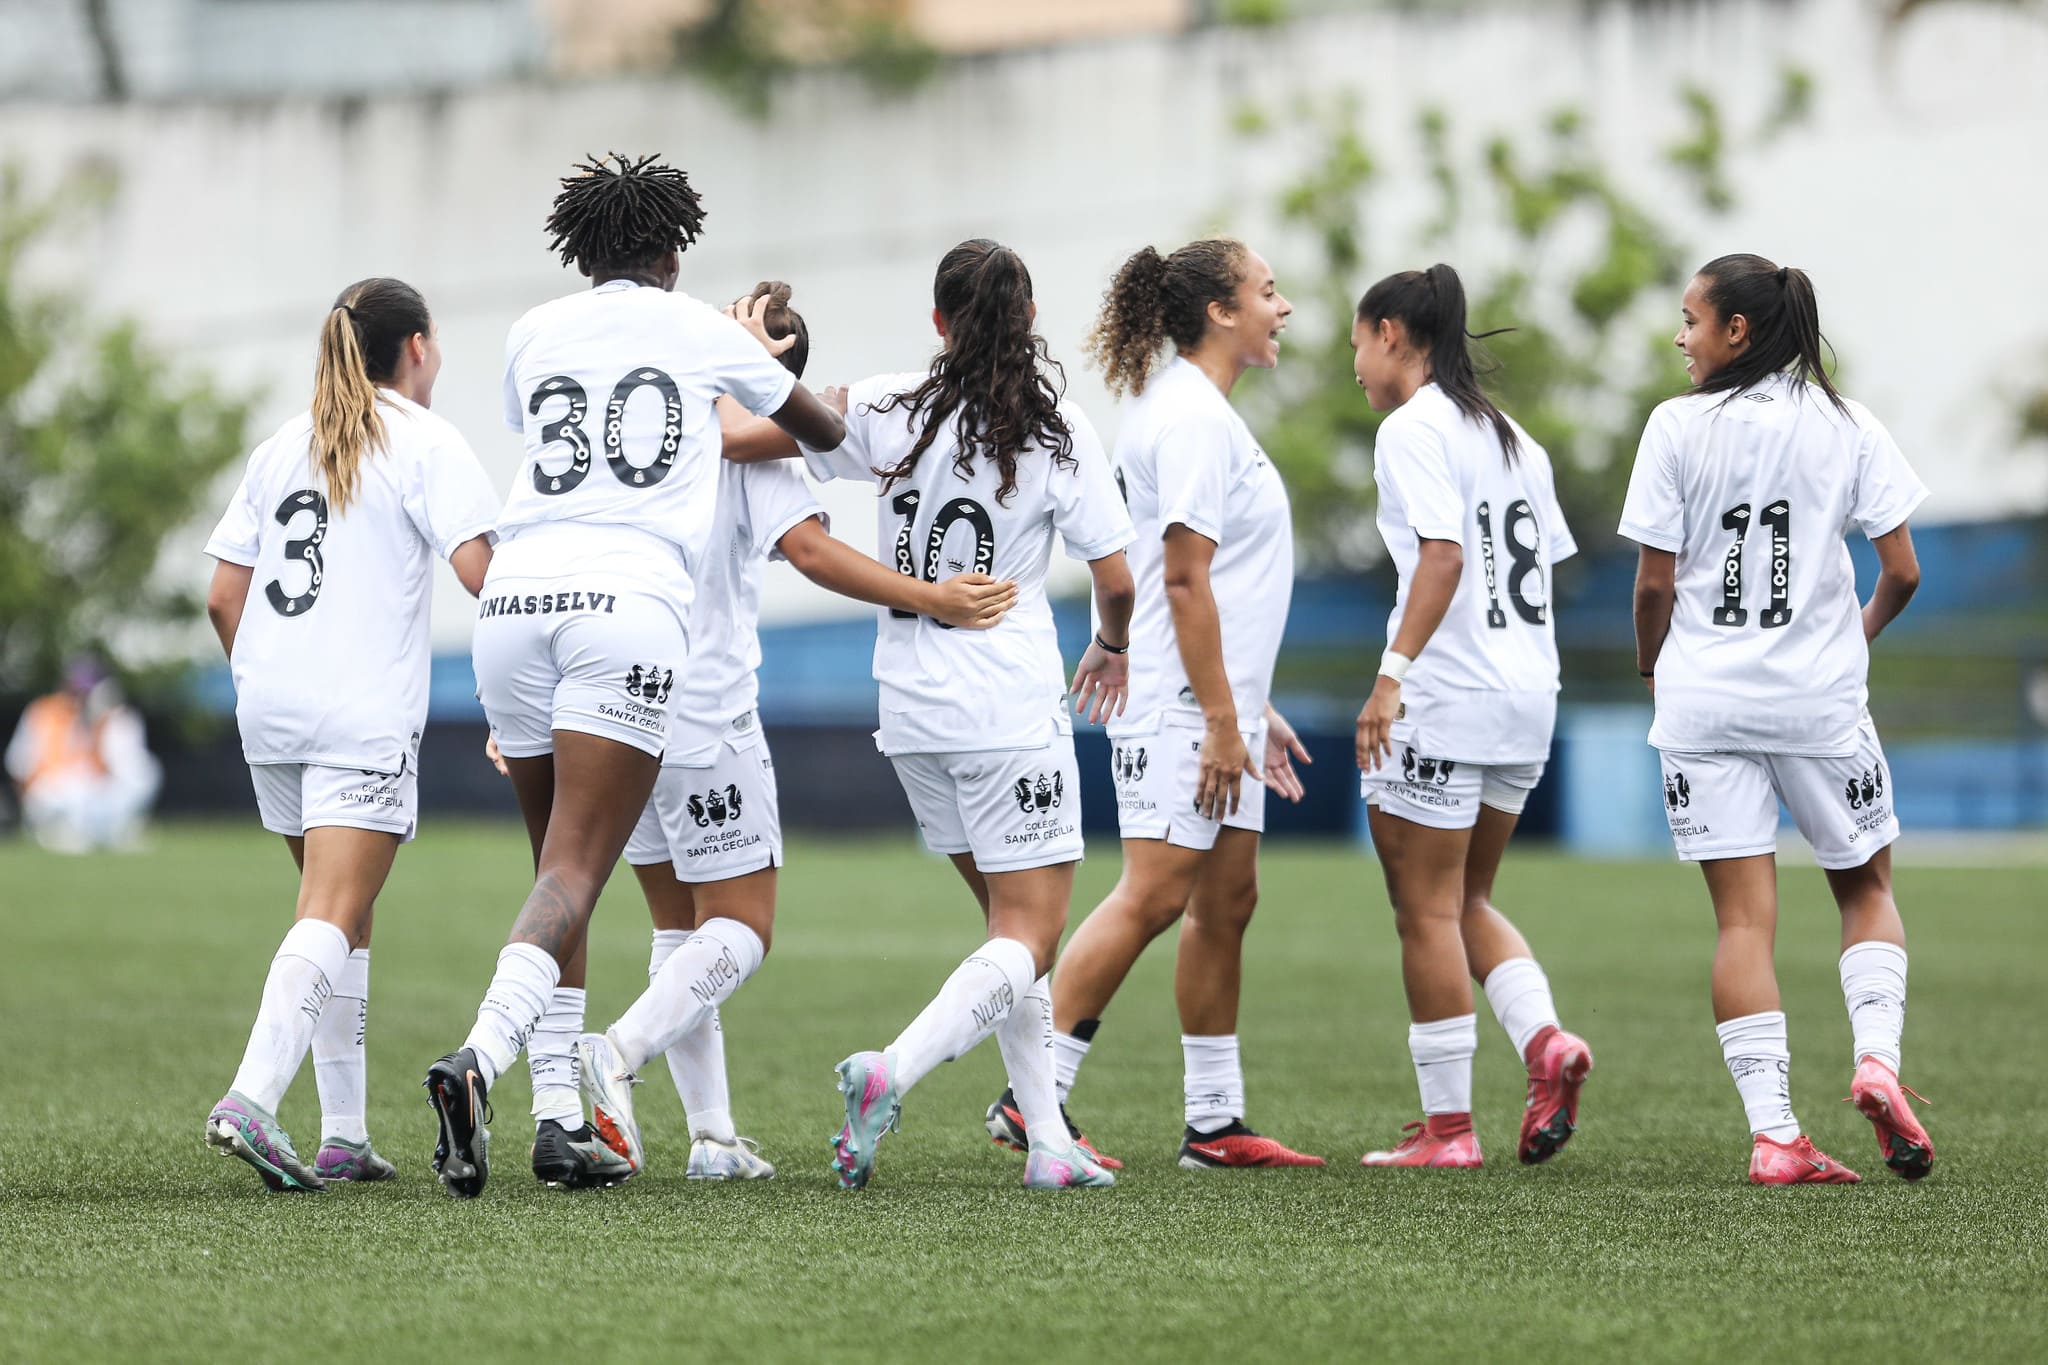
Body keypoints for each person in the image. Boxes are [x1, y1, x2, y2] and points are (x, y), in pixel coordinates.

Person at [509, 283, 1016, 1189]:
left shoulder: (646, 422)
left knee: (683, 926)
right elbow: (814, 554)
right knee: (743, 925)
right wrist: (932, 596)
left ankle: (711, 1133)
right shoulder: (746, 447)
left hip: (615, 701)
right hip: (705, 706)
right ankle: (616, 1050)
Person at [423, 154, 845, 1199]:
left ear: (580, 244)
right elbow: (824, 434)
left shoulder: (532, 329)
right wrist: (749, 355)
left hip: (512, 604)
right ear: (670, 249)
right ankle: (482, 1055)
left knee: (555, 881)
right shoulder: (699, 325)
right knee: (576, 875)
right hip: (625, 608)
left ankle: (560, 1119)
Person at [755, 238, 1135, 1191]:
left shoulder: (889, 405)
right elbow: (1117, 579)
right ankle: (893, 1071)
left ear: (938, 322)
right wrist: (1112, 645)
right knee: (1031, 934)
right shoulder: (1059, 432)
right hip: (1007, 708)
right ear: (1032, 319)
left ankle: (1048, 1141)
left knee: (1011, 939)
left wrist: (763, 357)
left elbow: (786, 424)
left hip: (913, 713)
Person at [1008, 238, 1323, 1171]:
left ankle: (1215, 1123)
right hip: (1182, 710)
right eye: (1270, 291)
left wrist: (1248, 708)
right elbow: (1182, 584)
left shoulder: (1204, 413)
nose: (1284, 306)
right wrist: (1222, 719)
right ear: (1221, 312)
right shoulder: (1188, 415)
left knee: (1227, 899)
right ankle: (1034, 1097)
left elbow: (1215, 583)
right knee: (1152, 894)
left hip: (1212, 702)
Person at [1622, 254, 1930, 1185]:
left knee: (1742, 926)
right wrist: (1855, 636)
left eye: (1691, 319)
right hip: (1819, 704)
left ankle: (1776, 1136)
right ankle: (1876, 1059)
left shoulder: (1674, 428)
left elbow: (1653, 583)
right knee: (1866, 890)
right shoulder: (1848, 423)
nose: (1681, 336)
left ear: (1737, 332)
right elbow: (1906, 569)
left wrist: (1653, 669)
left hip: (1704, 704)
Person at [200, 278, 498, 1192]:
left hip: (271, 709)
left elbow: (222, 594)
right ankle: (250, 1098)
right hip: (358, 713)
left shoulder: (281, 444)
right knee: (331, 912)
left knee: (344, 913)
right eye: (435, 345)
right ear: (415, 346)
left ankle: (343, 1134)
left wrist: (260, 678)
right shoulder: (426, 439)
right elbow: (488, 577)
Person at [1349, 264, 1593, 1170]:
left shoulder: (1412, 429)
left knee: (1422, 906)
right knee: (1468, 899)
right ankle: (1545, 1043)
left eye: (1357, 344)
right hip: (1528, 695)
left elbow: (1443, 560)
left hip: (1444, 696)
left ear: (1392, 335)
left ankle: (1448, 1131)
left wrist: (1389, 676)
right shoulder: (1517, 438)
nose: (1356, 366)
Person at [5, 657, 160, 853]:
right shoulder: (41, 712)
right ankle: (56, 830)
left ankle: (110, 830)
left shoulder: (88, 718)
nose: (80, 697)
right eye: (77, 691)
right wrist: (27, 810)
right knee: (73, 789)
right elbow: (19, 767)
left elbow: (100, 765)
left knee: (134, 778)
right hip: (46, 791)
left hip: (78, 791)